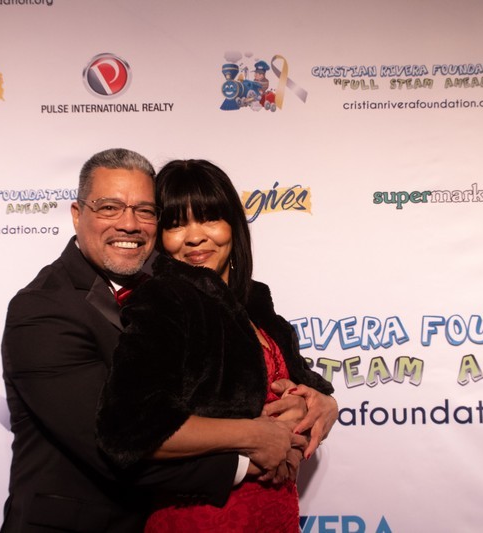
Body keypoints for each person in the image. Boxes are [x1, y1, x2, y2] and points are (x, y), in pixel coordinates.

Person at [0, 149, 334, 533]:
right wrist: (253, 449)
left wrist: (321, 404)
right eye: (109, 208)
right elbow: (109, 445)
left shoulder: (205, 296)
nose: (129, 224)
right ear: (77, 214)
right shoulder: (43, 309)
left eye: (144, 210)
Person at [96, 159, 337, 531]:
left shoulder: (255, 303)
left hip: (275, 517)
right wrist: (254, 435)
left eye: (209, 218)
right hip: (203, 518)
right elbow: (127, 429)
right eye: (176, 224)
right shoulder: (165, 300)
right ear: (160, 236)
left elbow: (305, 387)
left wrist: (323, 403)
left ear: (233, 225)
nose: (194, 237)